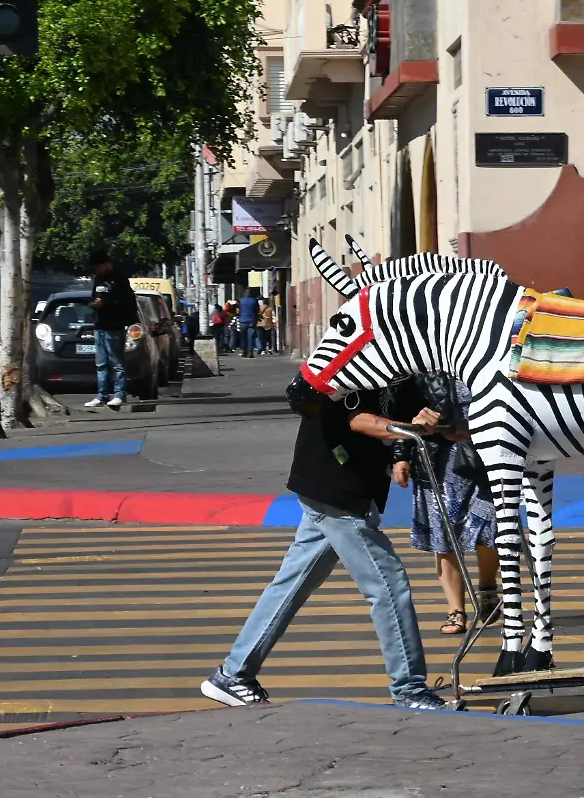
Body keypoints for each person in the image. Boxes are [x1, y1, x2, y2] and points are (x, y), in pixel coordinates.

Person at [201, 373, 447, 711]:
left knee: (291, 584)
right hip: (334, 486)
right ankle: (409, 689)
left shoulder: (405, 364)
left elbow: (410, 411)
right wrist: (410, 429)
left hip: (345, 486)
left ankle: (233, 674)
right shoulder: (358, 356)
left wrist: (426, 429)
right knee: (388, 585)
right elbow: (358, 419)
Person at [400, 372, 496, 635]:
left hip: (483, 453)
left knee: (488, 531)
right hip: (437, 459)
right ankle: (456, 610)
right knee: (444, 536)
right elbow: (405, 409)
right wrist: (402, 455)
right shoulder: (424, 363)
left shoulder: (485, 356)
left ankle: (488, 587)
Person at [87, 252, 139, 410]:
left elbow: (126, 303)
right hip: (100, 325)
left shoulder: (119, 280)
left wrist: (106, 305)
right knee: (101, 364)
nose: (98, 270)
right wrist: (94, 304)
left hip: (114, 326)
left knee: (116, 362)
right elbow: (93, 297)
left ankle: (119, 394)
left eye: (99, 266)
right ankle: (101, 395)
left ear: (107, 263)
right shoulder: (98, 279)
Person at [238, 292, 260, 357]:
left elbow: (238, 310)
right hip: (252, 321)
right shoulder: (254, 300)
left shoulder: (241, 300)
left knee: (243, 337)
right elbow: (257, 310)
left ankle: (244, 351)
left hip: (243, 321)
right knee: (251, 337)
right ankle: (250, 352)